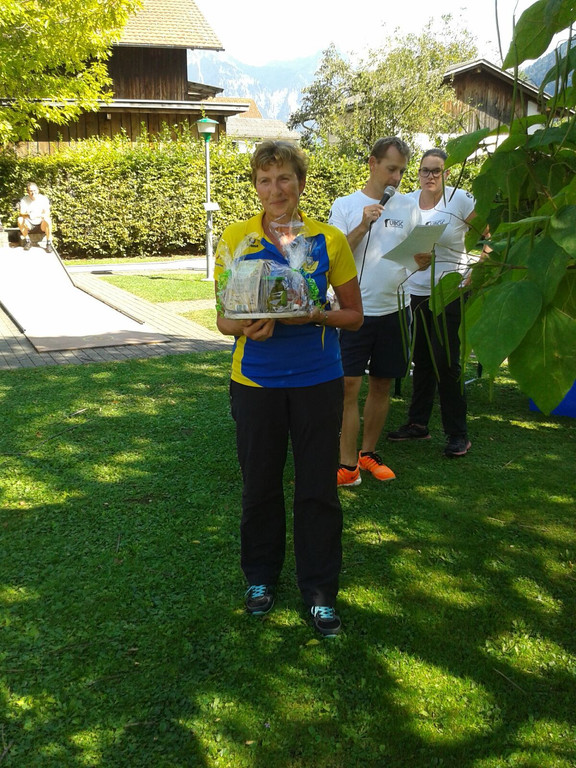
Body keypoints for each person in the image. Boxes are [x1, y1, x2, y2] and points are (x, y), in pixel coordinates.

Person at [214, 141, 363, 637]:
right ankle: (260, 577)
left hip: (317, 380)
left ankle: (319, 592)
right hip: (255, 381)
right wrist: (244, 327)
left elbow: (354, 316)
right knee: (259, 485)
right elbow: (223, 319)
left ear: (300, 182)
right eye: (265, 179)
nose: (275, 189)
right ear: (255, 186)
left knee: (317, 489)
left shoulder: (328, 239)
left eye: (284, 178)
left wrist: (315, 314)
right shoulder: (236, 239)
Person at [329, 137, 430, 487]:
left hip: (396, 309)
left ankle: (367, 453)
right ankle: (346, 464)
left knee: (382, 383)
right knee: (348, 386)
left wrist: (422, 260)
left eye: (401, 171)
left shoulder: (409, 207)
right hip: (354, 312)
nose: (396, 178)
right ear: (372, 163)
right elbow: (333, 256)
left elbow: (414, 257)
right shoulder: (345, 205)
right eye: (391, 169)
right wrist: (362, 226)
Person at [387, 148, 477, 457]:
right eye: (424, 170)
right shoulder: (408, 201)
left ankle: (458, 433)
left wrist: (475, 272)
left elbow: (487, 235)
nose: (430, 176)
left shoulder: (459, 199)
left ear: (447, 173)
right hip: (415, 291)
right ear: (418, 173)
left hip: (449, 292)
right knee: (422, 360)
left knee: (446, 361)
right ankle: (418, 424)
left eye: (436, 170)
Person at [18, 182, 53, 252]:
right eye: (31, 191)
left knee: (48, 220)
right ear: (28, 192)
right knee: (20, 219)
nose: (33, 192)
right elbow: (21, 213)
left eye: (34, 190)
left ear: (38, 190)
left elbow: (47, 213)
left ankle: (48, 243)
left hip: (41, 224)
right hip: (29, 224)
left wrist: (40, 215)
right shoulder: (24, 200)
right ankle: (28, 241)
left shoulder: (43, 199)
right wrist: (29, 215)